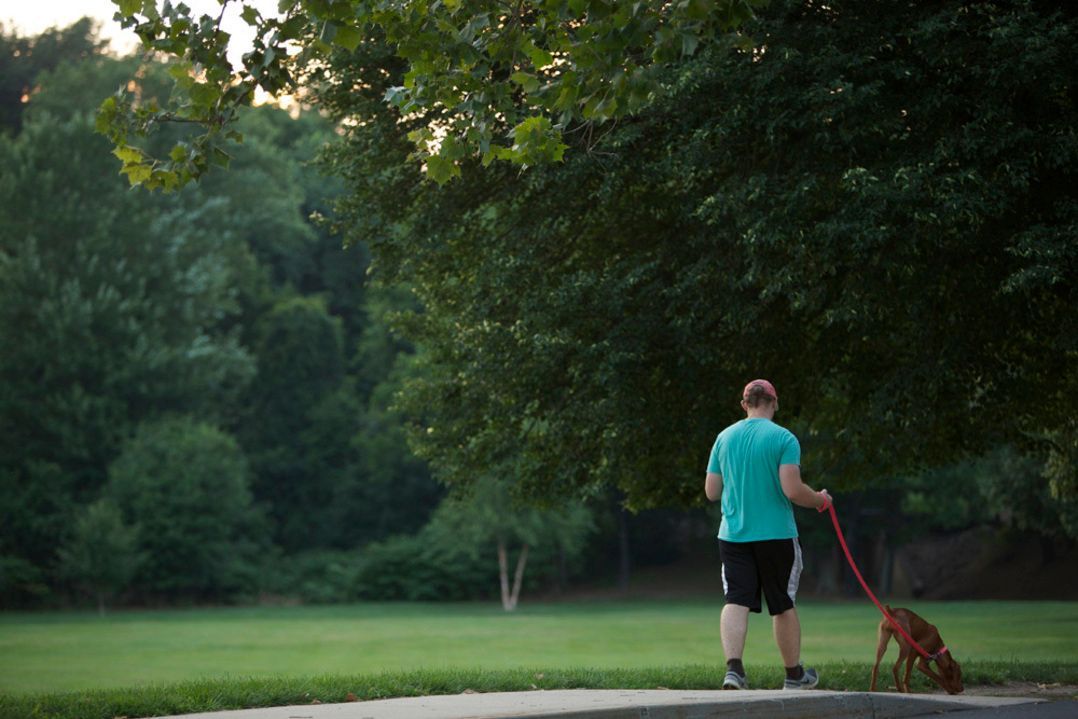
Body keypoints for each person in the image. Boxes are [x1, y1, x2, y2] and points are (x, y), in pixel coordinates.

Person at [704, 379, 832, 691]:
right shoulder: (784, 439)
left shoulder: (724, 438)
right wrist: (820, 500)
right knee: (782, 603)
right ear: (774, 403)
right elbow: (792, 490)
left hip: (733, 535)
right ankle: (793, 675)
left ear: (744, 404)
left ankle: (734, 671)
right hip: (776, 535)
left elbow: (711, 492)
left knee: (736, 599)